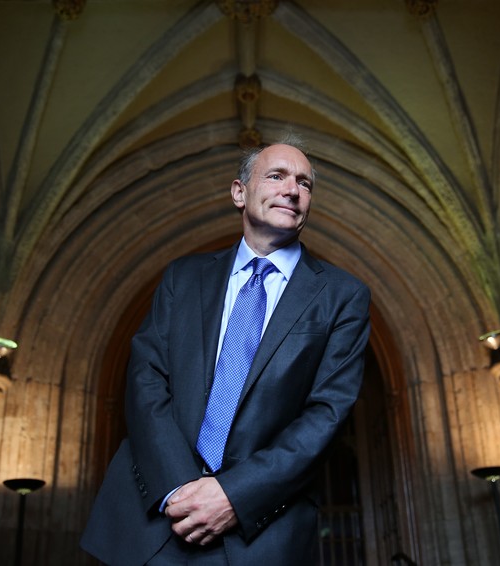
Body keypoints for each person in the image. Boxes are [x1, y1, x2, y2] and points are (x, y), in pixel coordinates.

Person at [81, 136, 371, 565]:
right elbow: (146, 377)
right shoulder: (183, 277)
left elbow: (326, 414)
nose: (292, 189)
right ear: (240, 192)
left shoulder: (343, 295)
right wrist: (180, 489)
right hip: (153, 524)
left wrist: (233, 495)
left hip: (261, 535)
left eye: (305, 183)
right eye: (277, 176)